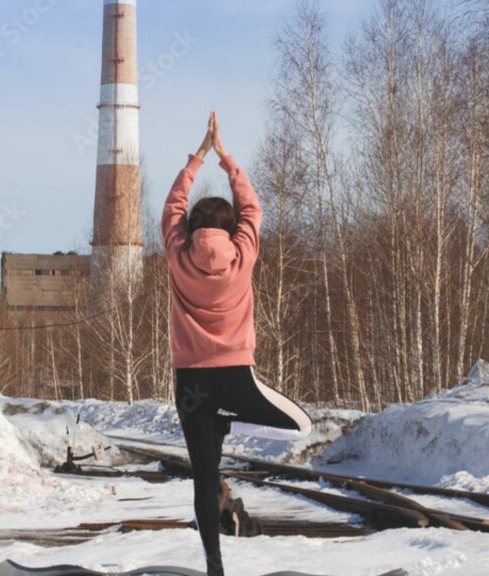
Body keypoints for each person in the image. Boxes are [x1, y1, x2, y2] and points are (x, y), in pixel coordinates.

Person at [162, 111, 312, 576]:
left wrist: (198, 157)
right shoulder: (242, 254)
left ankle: (214, 566)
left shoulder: (177, 253)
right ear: (230, 231)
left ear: (190, 227)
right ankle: (230, 419)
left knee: (205, 479)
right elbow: (253, 209)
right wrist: (225, 156)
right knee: (301, 426)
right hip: (234, 377)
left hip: (189, 382)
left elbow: (171, 206)